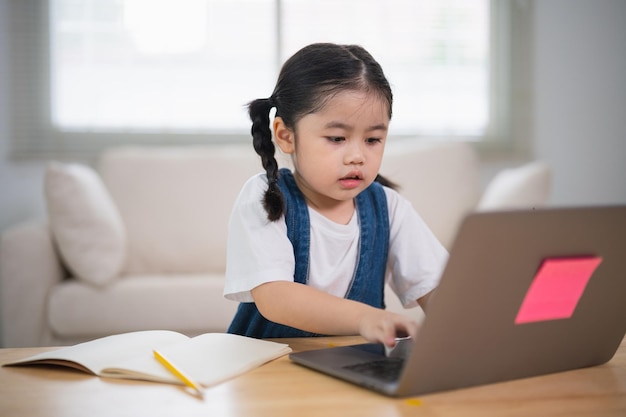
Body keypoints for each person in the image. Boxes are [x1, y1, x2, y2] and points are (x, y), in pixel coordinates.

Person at [224, 43, 447, 347]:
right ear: (286, 136)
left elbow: (442, 292)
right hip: (268, 373)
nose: (357, 156)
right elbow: (276, 297)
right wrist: (364, 318)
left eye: (373, 139)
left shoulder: (390, 208)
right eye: (337, 138)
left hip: (353, 371)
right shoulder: (264, 197)